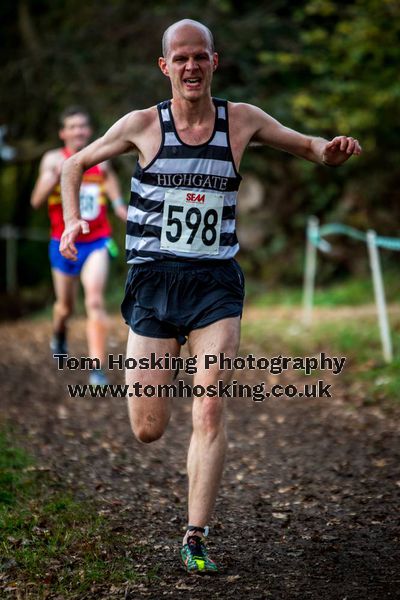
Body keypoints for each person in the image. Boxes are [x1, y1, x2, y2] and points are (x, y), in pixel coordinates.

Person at [59, 20, 362, 573]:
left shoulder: (239, 120)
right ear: (165, 66)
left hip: (215, 284)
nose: (192, 67)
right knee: (147, 429)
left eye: (201, 57)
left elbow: (308, 146)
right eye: (181, 59)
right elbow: (75, 164)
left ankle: (195, 535)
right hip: (153, 282)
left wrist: (330, 150)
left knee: (209, 404)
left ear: (214, 62)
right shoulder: (142, 125)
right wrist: (73, 222)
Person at [31, 106, 127, 386]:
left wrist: (119, 204)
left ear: (88, 130)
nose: (78, 131)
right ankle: (59, 332)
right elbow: (36, 202)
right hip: (62, 243)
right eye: (72, 126)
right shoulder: (52, 159)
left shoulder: (100, 156)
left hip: (96, 240)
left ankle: (97, 368)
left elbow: (109, 180)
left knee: (95, 301)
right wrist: (52, 179)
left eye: (83, 126)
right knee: (65, 307)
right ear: (63, 133)